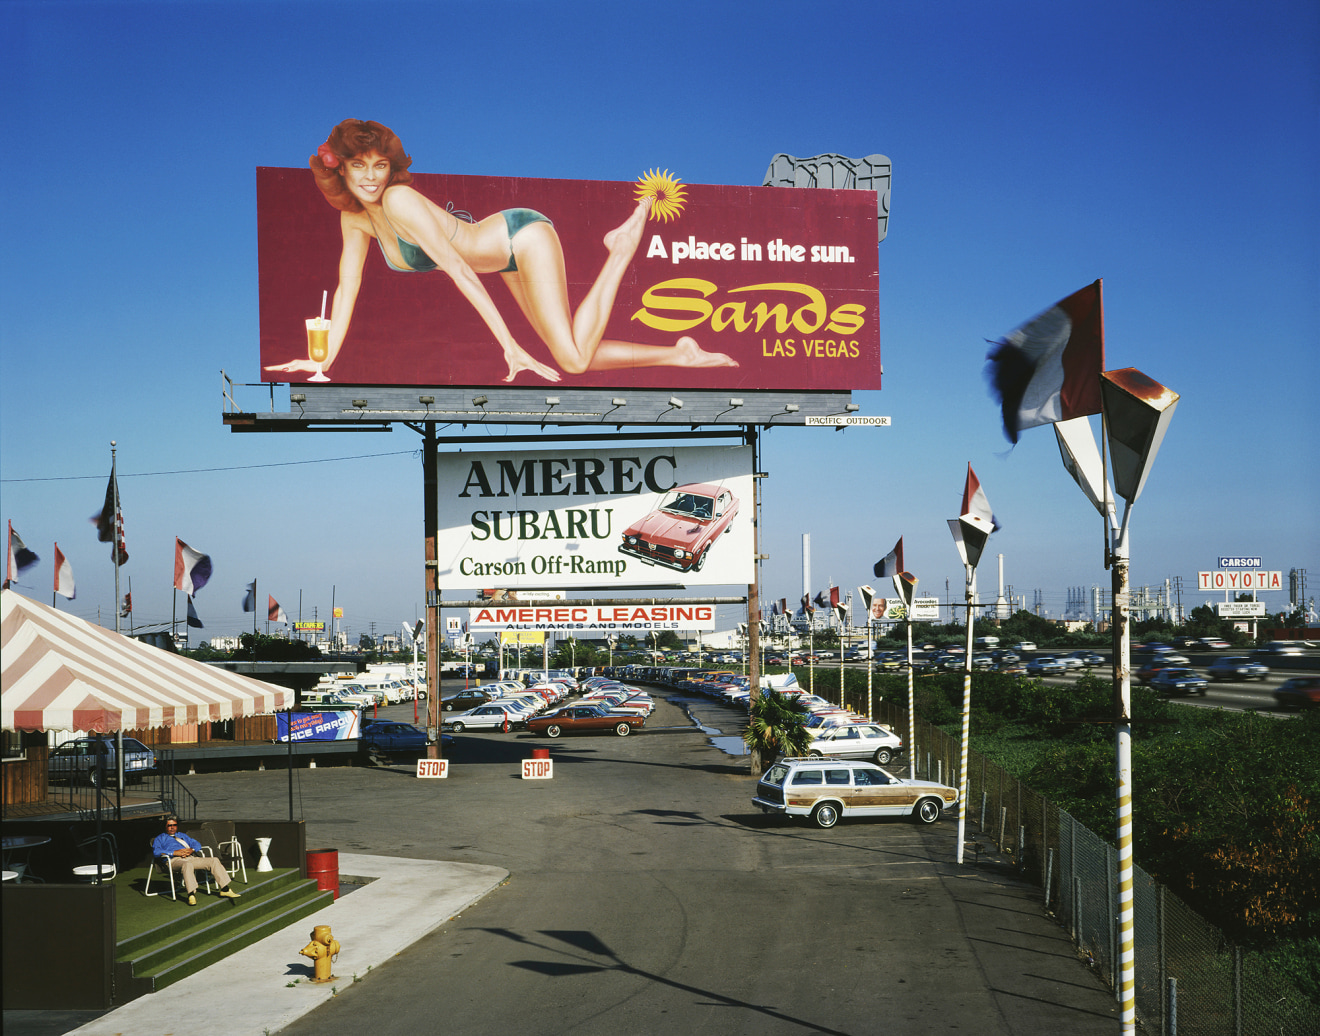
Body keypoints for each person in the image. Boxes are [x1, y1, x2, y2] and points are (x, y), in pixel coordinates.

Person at [265, 119, 737, 383]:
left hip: (521, 238)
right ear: (341, 170)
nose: (371, 176)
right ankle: (681, 353)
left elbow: (460, 271)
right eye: (359, 166)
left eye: (380, 165)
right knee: (573, 355)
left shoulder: (398, 200)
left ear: (391, 169)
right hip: (500, 260)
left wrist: (509, 347)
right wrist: (323, 361)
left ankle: (621, 249)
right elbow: (348, 288)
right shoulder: (354, 219)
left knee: (569, 359)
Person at [152, 817, 241, 906]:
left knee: (214, 860)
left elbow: (197, 844)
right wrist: (174, 853)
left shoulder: (182, 835)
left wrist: (192, 850)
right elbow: (156, 852)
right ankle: (191, 894)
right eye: (169, 825)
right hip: (174, 860)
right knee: (187, 865)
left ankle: (225, 890)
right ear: (165, 826)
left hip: (190, 857)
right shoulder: (160, 838)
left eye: (174, 825)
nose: (172, 827)